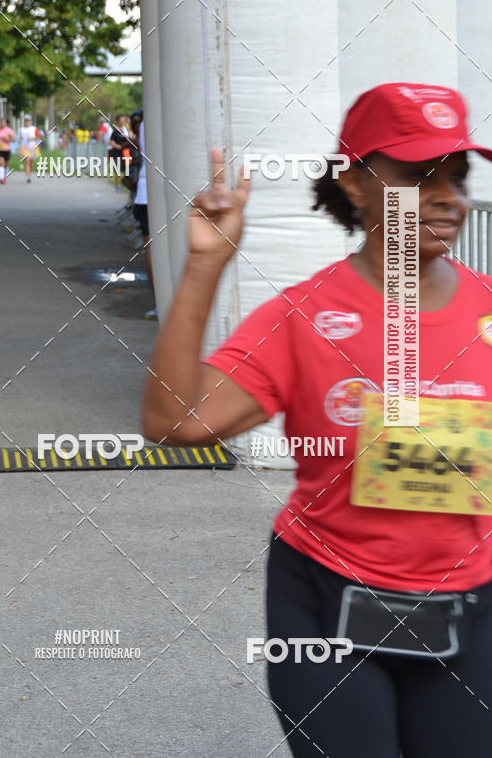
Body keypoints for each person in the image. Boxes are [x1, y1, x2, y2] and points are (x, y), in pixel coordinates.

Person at [142, 82, 492, 757]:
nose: (449, 196)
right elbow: (174, 420)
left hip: (472, 609)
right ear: (354, 183)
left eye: (457, 176)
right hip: (327, 606)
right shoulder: (305, 318)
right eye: (419, 176)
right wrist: (206, 265)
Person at [131, 114, 156, 320]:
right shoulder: (165, 119)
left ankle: (158, 303)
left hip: (145, 193)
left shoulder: (145, 125)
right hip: (155, 193)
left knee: (152, 249)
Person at [109, 114, 132, 192]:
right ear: (118, 121)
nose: (123, 122)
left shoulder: (126, 130)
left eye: (124, 120)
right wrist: (119, 147)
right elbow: (111, 142)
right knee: (117, 171)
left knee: (127, 171)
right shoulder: (115, 131)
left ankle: (126, 185)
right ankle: (118, 186)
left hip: (126, 154)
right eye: (121, 120)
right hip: (117, 154)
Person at [19, 115, 41, 182]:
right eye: (26, 121)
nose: (27, 122)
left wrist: (31, 139)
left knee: (31, 162)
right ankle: (28, 177)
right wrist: (20, 141)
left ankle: (29, 174)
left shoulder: (34, 128)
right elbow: (20, 138)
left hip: (33, 147)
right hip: (25, 147)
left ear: (30, 121)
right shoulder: (22, 129)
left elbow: (37, 136)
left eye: (28, 121)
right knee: (27, 161)